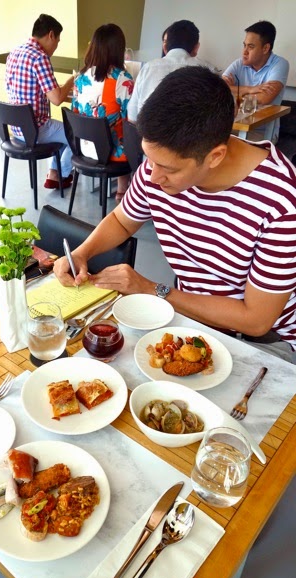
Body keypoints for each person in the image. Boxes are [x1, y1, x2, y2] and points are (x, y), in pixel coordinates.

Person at [54, 66, 296, 363]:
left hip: (264, 344)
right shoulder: (159, 165)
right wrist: (82, 253)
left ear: (215, 157)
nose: (152, 177)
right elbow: (121, 220)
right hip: (190, 319)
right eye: (149, 159)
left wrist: (150, 289)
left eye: (168, 168)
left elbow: (256, 320)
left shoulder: (281, 203)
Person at [5, 13, 74, 189]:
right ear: (51, 35)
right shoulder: (40, 57)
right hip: (35, 129)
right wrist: (71, 81)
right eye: (57, 41)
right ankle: (62, 175)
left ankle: (53, 174)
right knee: (76, 134)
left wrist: (60, 89)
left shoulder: (15, 52)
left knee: (60, 131)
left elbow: (29, 89)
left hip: (16, 128)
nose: (56, 47)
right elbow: (56, 99)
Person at [71, 23, 134, 202]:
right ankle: (124, 190)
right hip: (111, 153)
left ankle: (122, 188)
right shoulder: (122, 79)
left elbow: (75, 112)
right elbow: (129, 118)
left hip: (84, 148)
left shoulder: (80, 78)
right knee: (133, 134)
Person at [127, 19, 215, 122]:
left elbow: (132, 116)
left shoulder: (148, 68)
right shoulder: (208, 71)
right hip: (192, 131)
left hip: (148, 131)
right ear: (196, 48)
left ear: (165, 46)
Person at [222, 20, 289, 142]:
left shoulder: (280, 64)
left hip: (262, 133)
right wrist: (250, 89)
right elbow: (219, 88)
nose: (244, 52)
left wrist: (233, 92)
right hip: (232, 126)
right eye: (244, 45)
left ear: (265, 48)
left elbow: (264, 98)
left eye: (251, 47)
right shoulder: (239, 63)